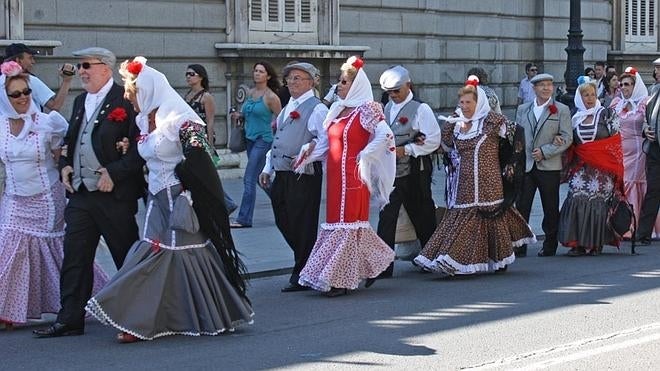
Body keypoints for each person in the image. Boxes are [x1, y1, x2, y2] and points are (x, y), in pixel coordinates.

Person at [82, 57, 253, 343]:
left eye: (132, 90)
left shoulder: (182, 120)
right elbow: (145, 155)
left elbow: (204, 157)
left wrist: (188, 178)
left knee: (171, 256)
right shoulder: (144, 119)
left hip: (179, 200)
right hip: (156, 197)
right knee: (155, 253)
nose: (127, 96)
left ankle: (151, 319)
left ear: (147, 89)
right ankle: (146, 318)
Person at [33, 47, 146, 338]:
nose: (81, 71)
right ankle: (70, 317)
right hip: (82, 194)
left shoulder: (126, 98)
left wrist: (115, 173)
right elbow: (72, 140)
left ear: (105, 68)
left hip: (114, 195)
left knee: (127, 256)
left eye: (86, 66)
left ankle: (139, 315)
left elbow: (140, 147)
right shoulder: (81, 100)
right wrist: (65, 166)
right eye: (79, 66)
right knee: (75, 256)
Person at [0, 62, 106, 329]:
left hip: (47, 198)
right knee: (9, 250)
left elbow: (65, 158)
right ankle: (6, 311)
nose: (23, 98)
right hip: (14, 198)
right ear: (5, 98)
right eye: (15, 94)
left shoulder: (49, 124)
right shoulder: (0, 127)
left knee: (57, 252)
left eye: (26, 92)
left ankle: (90, 299)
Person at [413, 76, 535, 275]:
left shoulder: (493, 122)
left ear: (479, 103)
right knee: (463, 219)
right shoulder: (455, 124)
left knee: (492, 219)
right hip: (464, 181)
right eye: (462, 102)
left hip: (489, 181)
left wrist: (512, 165)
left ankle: (496, 259)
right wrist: (420, 140)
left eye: (468, 102)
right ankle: (450, 258)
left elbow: (516, 135)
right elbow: (443, 145)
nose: (464, 106)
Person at [298, 56, 396, 296]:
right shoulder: (337, 110)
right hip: (334, 178)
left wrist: (365, 155)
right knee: (340, 223)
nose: (339, 86)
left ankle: (340, 280)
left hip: (353, 177)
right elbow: (325, 144)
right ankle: (365, 267)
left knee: (348, 224)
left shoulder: (367, 110)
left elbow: (385, 135)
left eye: (343, 82)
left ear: (356, 85)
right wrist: (306, 156)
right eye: (339, 82)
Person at [259, 62, 329, 292]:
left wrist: (307, 155)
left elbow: (326, 141)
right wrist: (267, 168)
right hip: (282, 171)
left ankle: (302, 271)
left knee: (303, 223)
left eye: (298, 78)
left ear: (311, 81)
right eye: (289, 78)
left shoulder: (317, 108)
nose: (292, 82)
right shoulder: (288, 107)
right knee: (283, 219)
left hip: (304, 174)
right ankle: (309, 262)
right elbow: (278, 139)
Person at [376, 65, 440, 279]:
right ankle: (383, 265)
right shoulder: (386, 109)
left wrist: (408, 149)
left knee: (422, 214)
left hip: (415, 171)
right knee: (386, 216)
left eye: (396, 91)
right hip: (391, 171)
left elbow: (432, 139)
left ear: (408, 86)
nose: (393, 95)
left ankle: (431, 256)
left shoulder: (421, 109)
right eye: (389, 92)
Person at [558, 77, 624, 256]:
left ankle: (595, 242)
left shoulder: (606, 114)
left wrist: (604, 158)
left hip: (602, 170)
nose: (589, 98)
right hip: (581, 169)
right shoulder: (574, 117)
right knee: (576, 197)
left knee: (598, 202)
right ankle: (577, 242)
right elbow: (570, 142)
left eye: (593, 94)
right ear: (579, 97)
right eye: (585, 94)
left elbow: (616, 141)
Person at [515, 73, 573, 257]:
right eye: (542, 85)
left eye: (549, 84)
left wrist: (545, 151)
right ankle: (520, 244)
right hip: (527, 166)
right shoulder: (523, 109)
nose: (547, 88)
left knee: (550, 206)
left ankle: (550, 244)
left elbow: (566, 138)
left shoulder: (560, 109)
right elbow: (517, 135)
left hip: (549, 166)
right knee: (522, 206)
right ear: (534, 88)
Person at [230, 61, 282, 228]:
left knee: (249, 178)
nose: (257, 74)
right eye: (255, 71)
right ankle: (284, 202)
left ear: (268, 76)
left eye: (261, 71)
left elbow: (281, 120)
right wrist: (238, 115)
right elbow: (246, 114)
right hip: (250, 139)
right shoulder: (251, 93)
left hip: (264, 140)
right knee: (261, 179)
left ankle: (244, 218)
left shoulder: (271, 97)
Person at [183, 63, 238, 215]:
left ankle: (226, 203)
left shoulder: (206, 97)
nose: (188, 77)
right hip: (188, 138)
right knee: (199, 174)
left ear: (201, 76)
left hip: (202, 139)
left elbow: (211, 121)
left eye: (192, 74)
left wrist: (211, 146)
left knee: (205, 173)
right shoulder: (187, 95)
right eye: (187, 74)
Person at [610, 67, 656, 239]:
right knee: (621, 184)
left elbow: (649, 123)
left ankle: (634, 226)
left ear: (635, 86)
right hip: (620, 151)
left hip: (639, 151)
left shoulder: (645, 102)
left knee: (633, 183)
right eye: (621, 84)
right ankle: (620, 224)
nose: (623, 87)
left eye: (627, 84)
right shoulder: (616, 103)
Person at [3, 43, 73, 112]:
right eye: (30, 58)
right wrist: (67, 80)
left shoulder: (1, 80)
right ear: (18, 60)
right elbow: (55, 106)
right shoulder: (29, 80)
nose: (33, 61)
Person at [638, 58, 660, 245]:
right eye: (656, 68)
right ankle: (643, 234)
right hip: (654, 149)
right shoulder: (653, 90)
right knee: (653, 191)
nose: (657, 71)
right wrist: (645, 129)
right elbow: (645, 118)